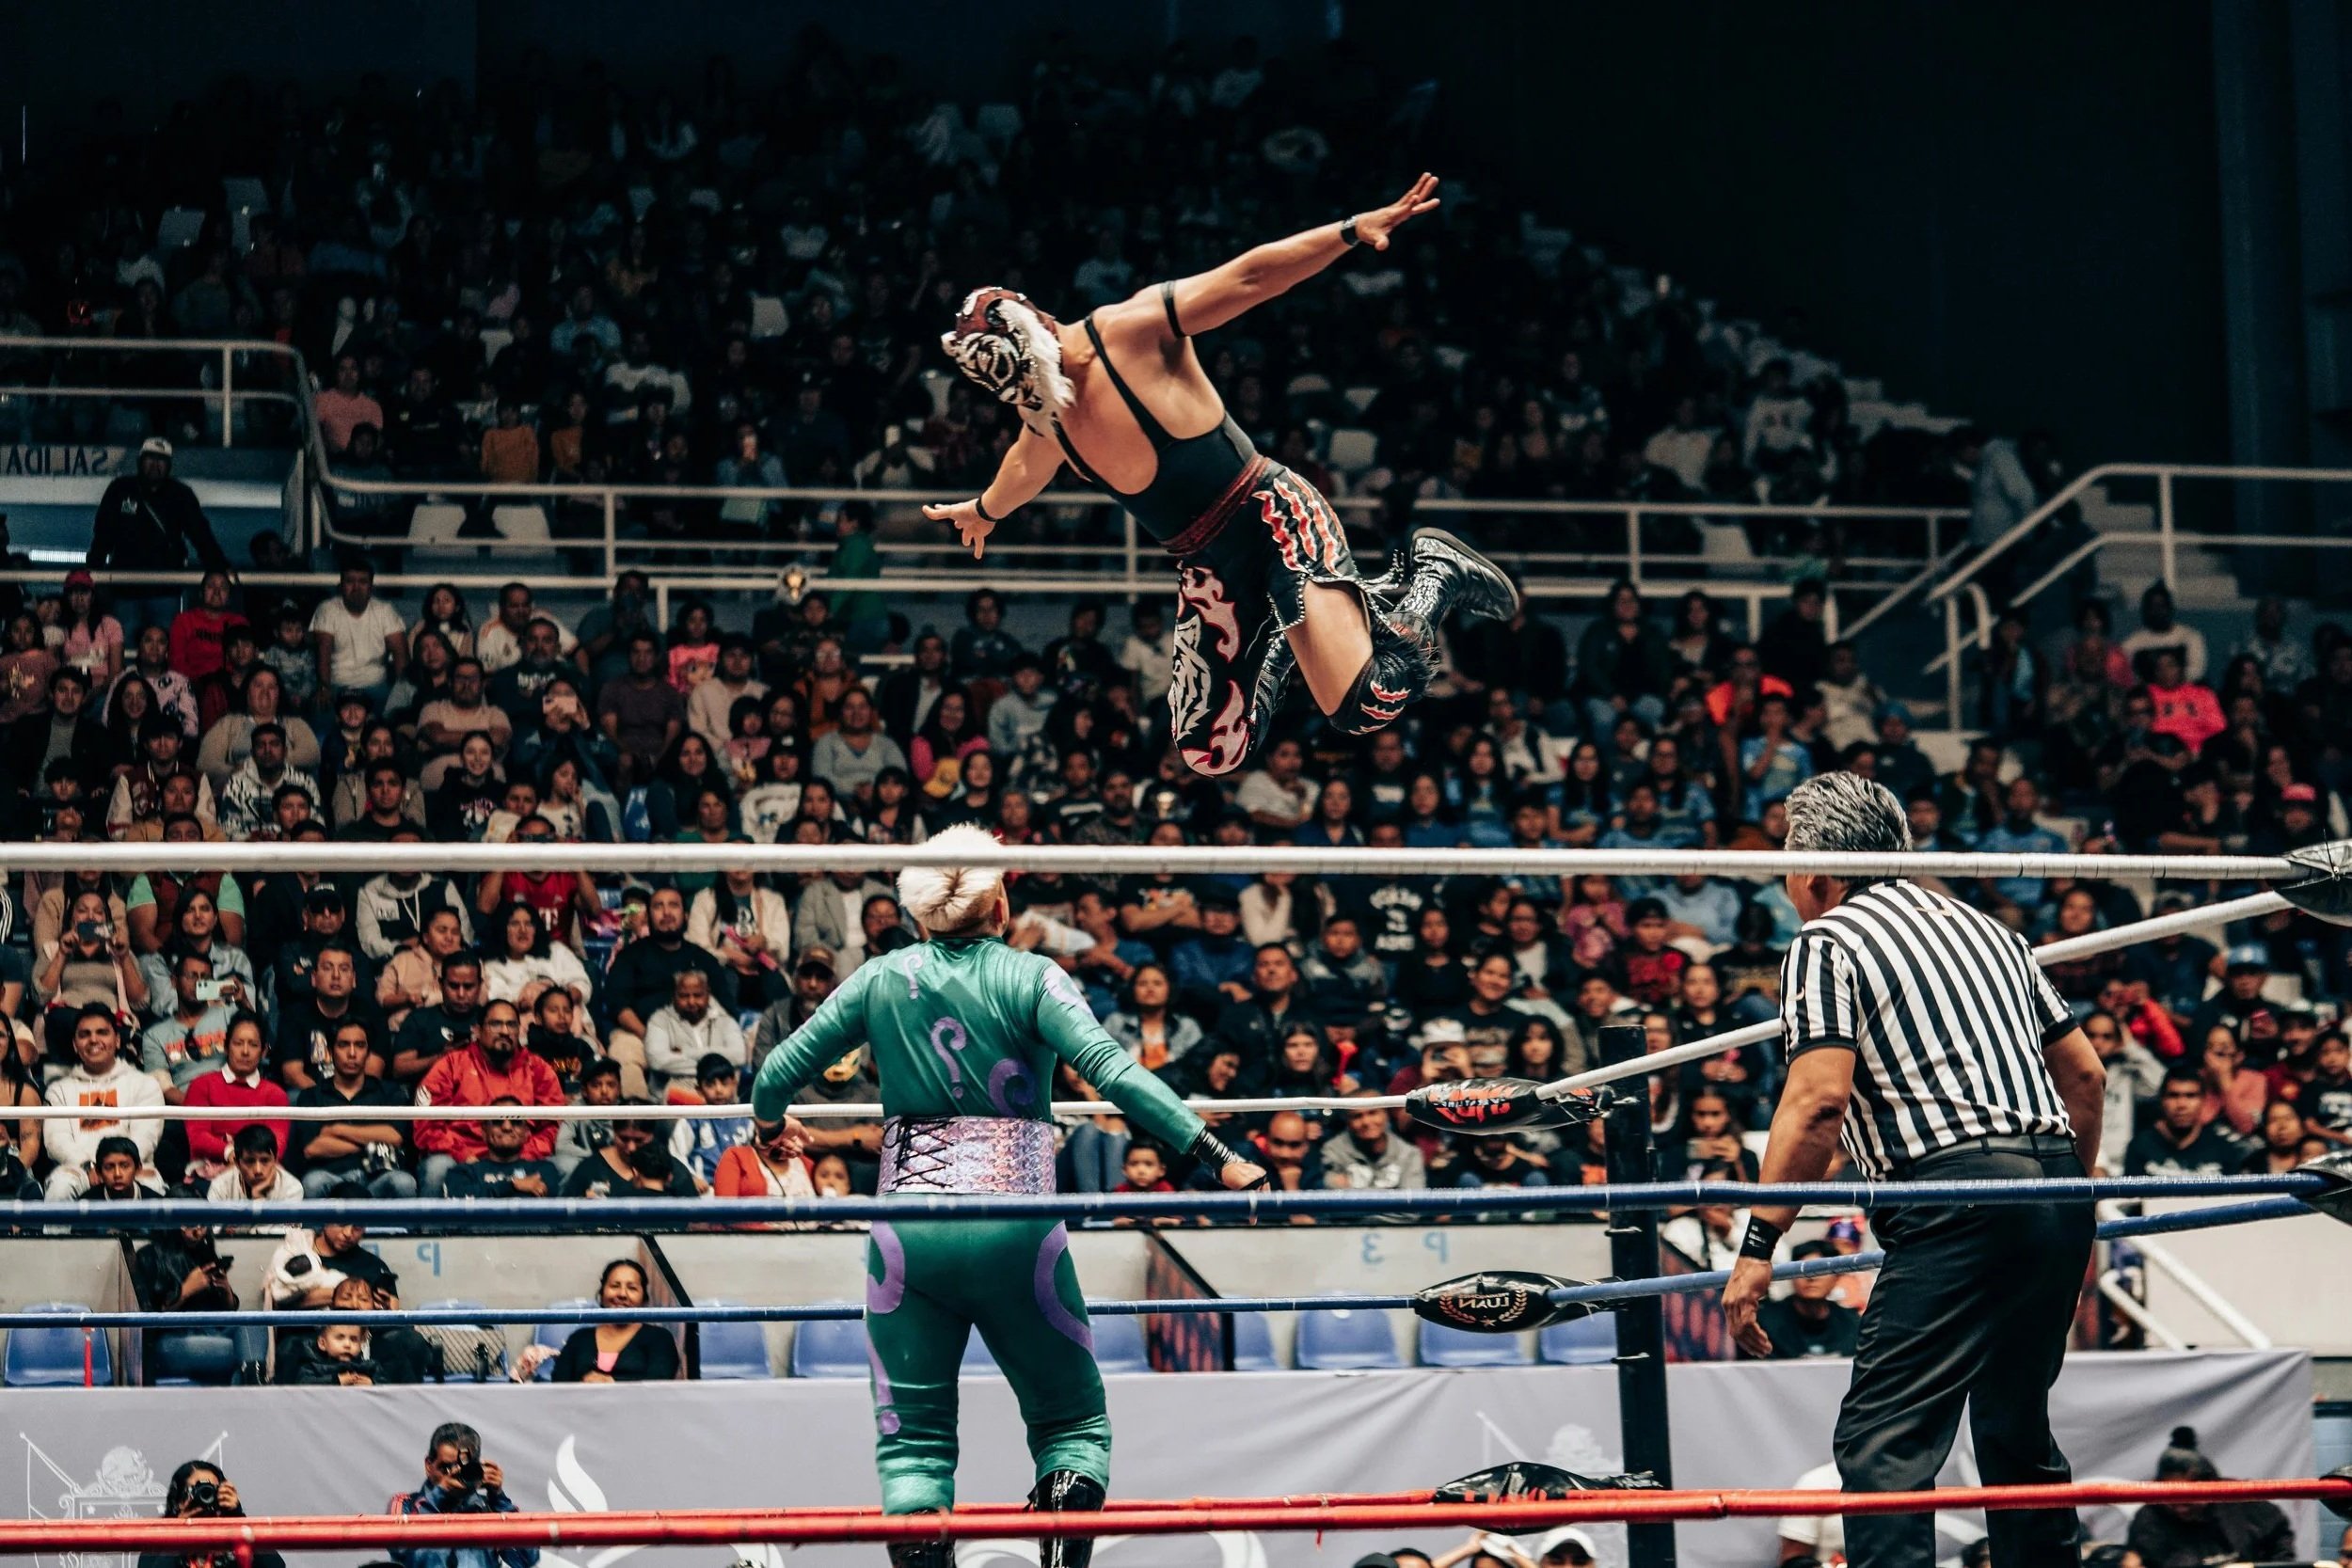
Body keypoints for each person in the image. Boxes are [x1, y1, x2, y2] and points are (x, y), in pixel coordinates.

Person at [751, 824, 1266, 1567]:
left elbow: (774, 1076)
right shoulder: (1034, 976)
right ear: (1001, 899)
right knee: (1073, 1423)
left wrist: (771, 1130)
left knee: (915, 1448)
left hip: (905, 1232)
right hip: (1016, 1224)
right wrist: (1217, 1156)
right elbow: (1113, 1075)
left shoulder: (880, 977)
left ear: (918, 914)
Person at [928, 176, 1517, 777]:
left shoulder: (1125, 331)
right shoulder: (1044, 413)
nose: (1029, 400)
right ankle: (1286, 637)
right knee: (1209, 751)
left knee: (1366, 704)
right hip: (1209, 566)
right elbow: (1027, 461)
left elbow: (1248, 277)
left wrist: (1348, 232)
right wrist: (986, 509)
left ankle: (1433, 575)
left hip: (1271, 519)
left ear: (1040, 329)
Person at [1719, 773, 2105, 1568]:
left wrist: (1759, 1245)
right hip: (2056, 1188)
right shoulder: (1991, 931)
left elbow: (1818, 1103)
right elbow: (2087, 1078)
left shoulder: (1828, 940)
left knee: (1883, 1445)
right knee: (2015, 1431)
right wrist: (2066, 1195)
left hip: (1954, 1196)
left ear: (1815, 869)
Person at [88, 438, 230, 640]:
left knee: (164, 645)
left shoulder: (181, 494)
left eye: (161, 460)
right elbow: (103, 534)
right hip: (125, 588)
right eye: (150, 459)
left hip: (165, 589)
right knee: (122, 643)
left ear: (169, 465)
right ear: (140, 461)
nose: (155, 465)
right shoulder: (121, 489)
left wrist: (219, 566)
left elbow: (201, 534)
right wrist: (96, 571)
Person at [2123, 1427, 2295, 1566]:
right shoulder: (2149, 1520)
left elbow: (2279, 1538)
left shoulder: (2240, 1500)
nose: (2181, 1506)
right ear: (2158, 1487)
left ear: (2211, 1485)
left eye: (2189, 1498)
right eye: (2172, 1498)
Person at [389, 1422, 538, 1568]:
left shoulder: (489, 1509)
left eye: (462, 1468)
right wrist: (441, 1491)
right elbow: (400, 1550)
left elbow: (526, 1560)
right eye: (446, 1467)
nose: (453, 1474)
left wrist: (498, 1497)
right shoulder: (405, 1504)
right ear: (429, 1465)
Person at [136, 1460, 285, 1568]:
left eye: (212, 1490)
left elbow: (276, 1566)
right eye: (196, 1491)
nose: (205, 1496)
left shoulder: (234, 1536)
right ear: (180, 1501)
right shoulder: (158, 1541)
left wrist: (237, 1518)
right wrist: (179, 1534)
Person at [551, 1259, 680, 1383]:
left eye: (632, 1288)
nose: (622, 1294)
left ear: (644, 1299)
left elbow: (660, 1382)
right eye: (614, 1286)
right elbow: (559, 1385)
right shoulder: (579, 1338)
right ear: (602, 1294)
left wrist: (613, 1383)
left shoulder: (660, 1338)